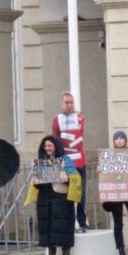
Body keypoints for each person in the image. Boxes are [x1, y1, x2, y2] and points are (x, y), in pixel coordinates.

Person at [27, 136, 81, 255]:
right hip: (45, 197)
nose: (47, 148)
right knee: (47, 226)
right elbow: (36, 182)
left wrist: (66, 177)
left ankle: (66, 254)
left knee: (63, 226)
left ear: (56, 146)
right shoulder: (41, 161)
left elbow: (76, 177)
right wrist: (36, 181)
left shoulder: (65, 159)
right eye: (45, 146)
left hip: (61, 196)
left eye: (50, 146)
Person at [51, 91, 88, 232]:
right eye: (66, 102)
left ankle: (82, 222)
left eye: (71, 102)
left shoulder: (80, 118)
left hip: (80, 160)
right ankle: (69, 223)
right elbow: (54, 139)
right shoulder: (56, 120)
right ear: (62, 104)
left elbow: (80, 133)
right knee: (66, 193)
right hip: (67, 162)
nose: (69, 105)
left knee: (81, 193)